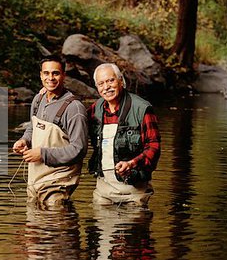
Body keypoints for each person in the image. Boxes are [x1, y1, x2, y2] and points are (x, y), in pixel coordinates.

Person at [12, 55, 88, 205]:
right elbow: (32, 128)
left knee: (54, 224)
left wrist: (42, 154)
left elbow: (79, 150)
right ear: (40, 75)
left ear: (64, 75)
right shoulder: (38, 99)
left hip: (58, 183)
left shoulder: (74, 108)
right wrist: (24, 140)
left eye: (56, 73)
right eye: (46, 73)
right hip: (35, 180)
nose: (50, 78)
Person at [87, 63, 161, 206]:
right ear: (97, 88)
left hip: (135, 190)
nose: (106, 87)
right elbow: (74, 123)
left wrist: (132, 163)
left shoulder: (142, 108)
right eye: (101, 83)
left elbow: (154, 146)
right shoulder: (95, 109)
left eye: (111, 81)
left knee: (134, 226)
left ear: (121, 81)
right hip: (103, 190)